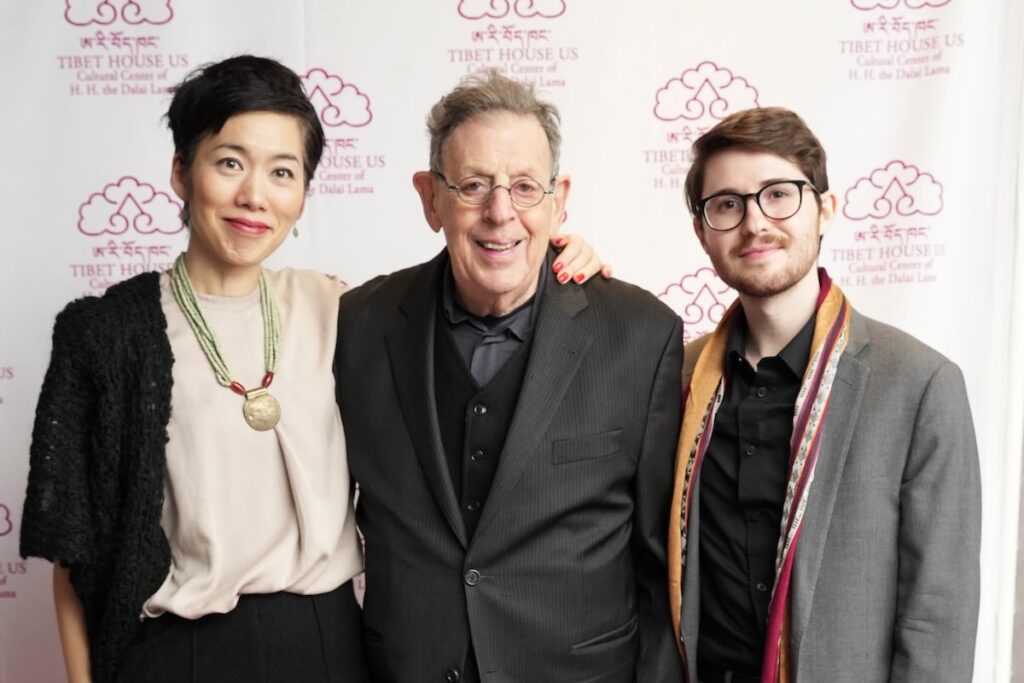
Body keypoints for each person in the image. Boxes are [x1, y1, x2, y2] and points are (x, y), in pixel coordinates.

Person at [18, 55, 602, 683]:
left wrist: (561, 261)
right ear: (181, 172)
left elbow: (479, 286)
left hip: (329, 647)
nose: (254, 195)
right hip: (173, 655)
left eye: (283, 172)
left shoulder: (340, 309)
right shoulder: (106, 335)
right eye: (229, 163)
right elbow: (75, 557)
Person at [334, 70, 684, 683]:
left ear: (559, 198)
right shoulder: (354, 326)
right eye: (473, 185)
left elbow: (664, 566)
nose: (501, 213)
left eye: (524, 187)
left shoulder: (640, 334)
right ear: (429, 197)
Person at [667, 107, 981, 682]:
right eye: (728, 204)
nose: (755, 223)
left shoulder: (918, 385)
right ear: (703, 232)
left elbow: (937, 619)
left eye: (779, 195)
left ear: (825, 210)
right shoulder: (676, 381)